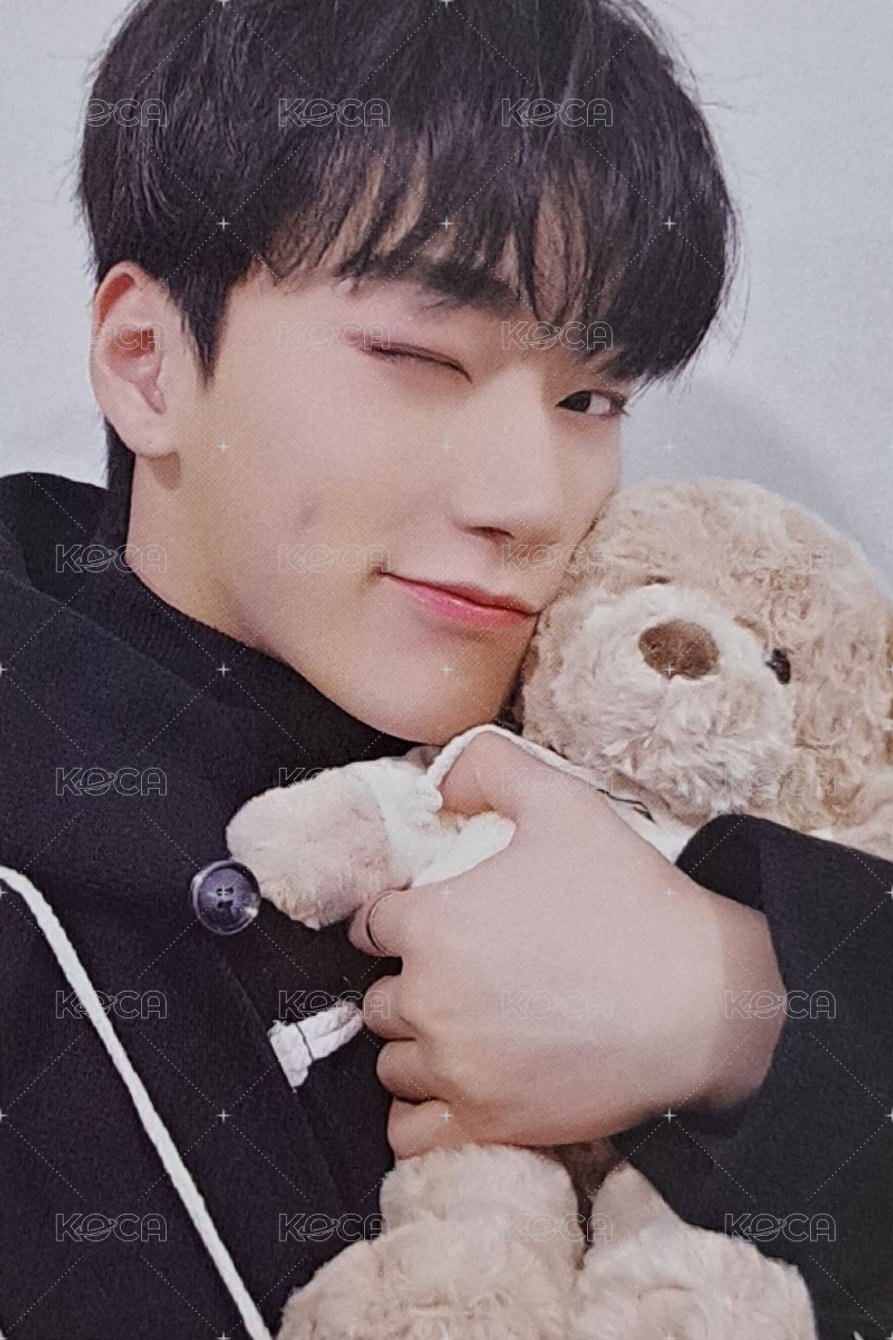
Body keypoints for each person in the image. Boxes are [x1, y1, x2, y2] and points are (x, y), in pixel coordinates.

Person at [0, 1, 888, 1337]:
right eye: (419, 357)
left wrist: (738, 1007)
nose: (531, 500)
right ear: (148, 365)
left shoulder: (647, 751)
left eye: (590, 399)